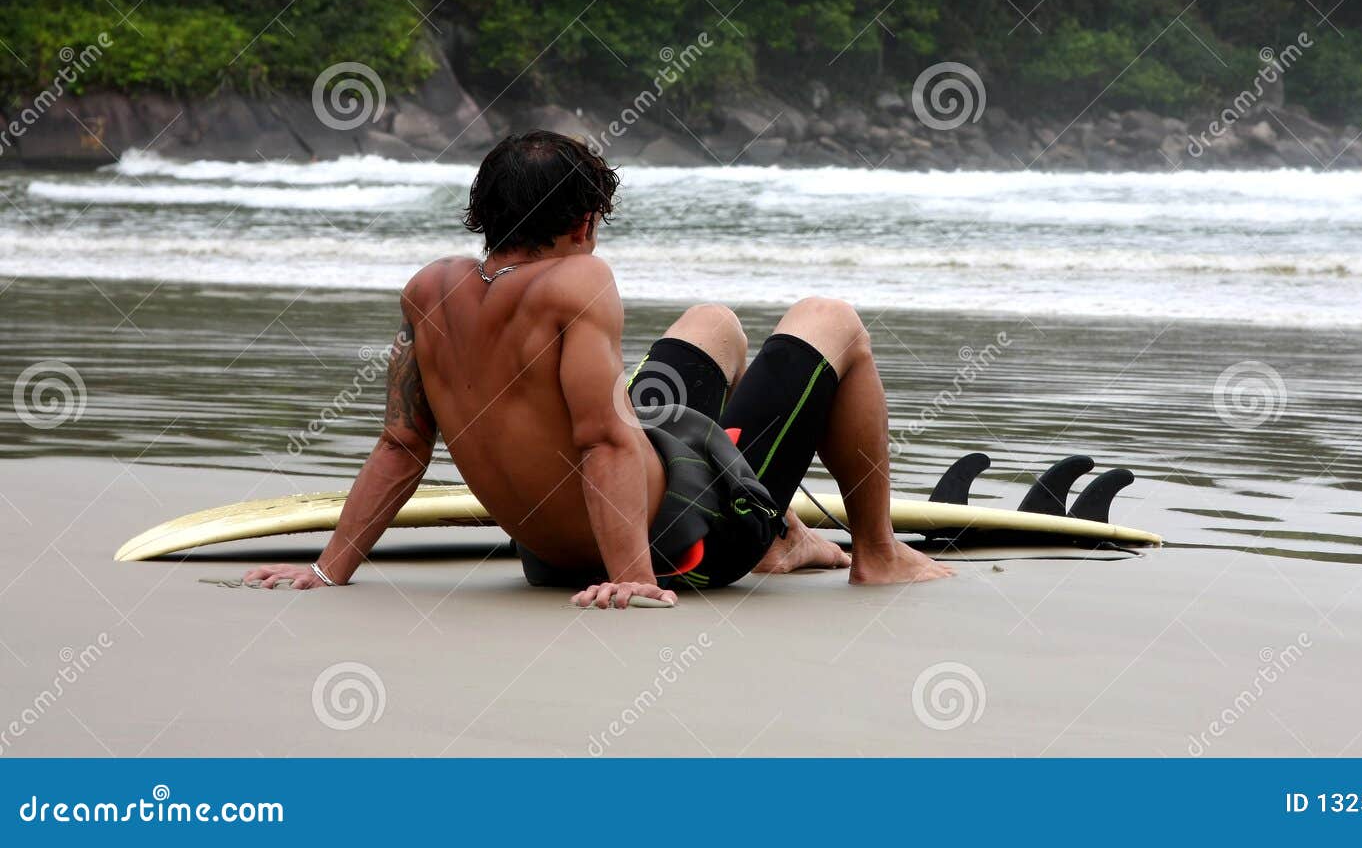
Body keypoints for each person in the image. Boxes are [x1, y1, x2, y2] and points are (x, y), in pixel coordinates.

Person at [244, 131, 953, 607]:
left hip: (550, 558)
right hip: (683, 541)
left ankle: (784, 536)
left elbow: (402, 445)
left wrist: (327, 567)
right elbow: (601, 440)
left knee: (714, 321)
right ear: (584, 223)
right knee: (833, 317)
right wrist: (632, 581)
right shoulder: (579, 283)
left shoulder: (429, 291)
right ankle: (876, 552)